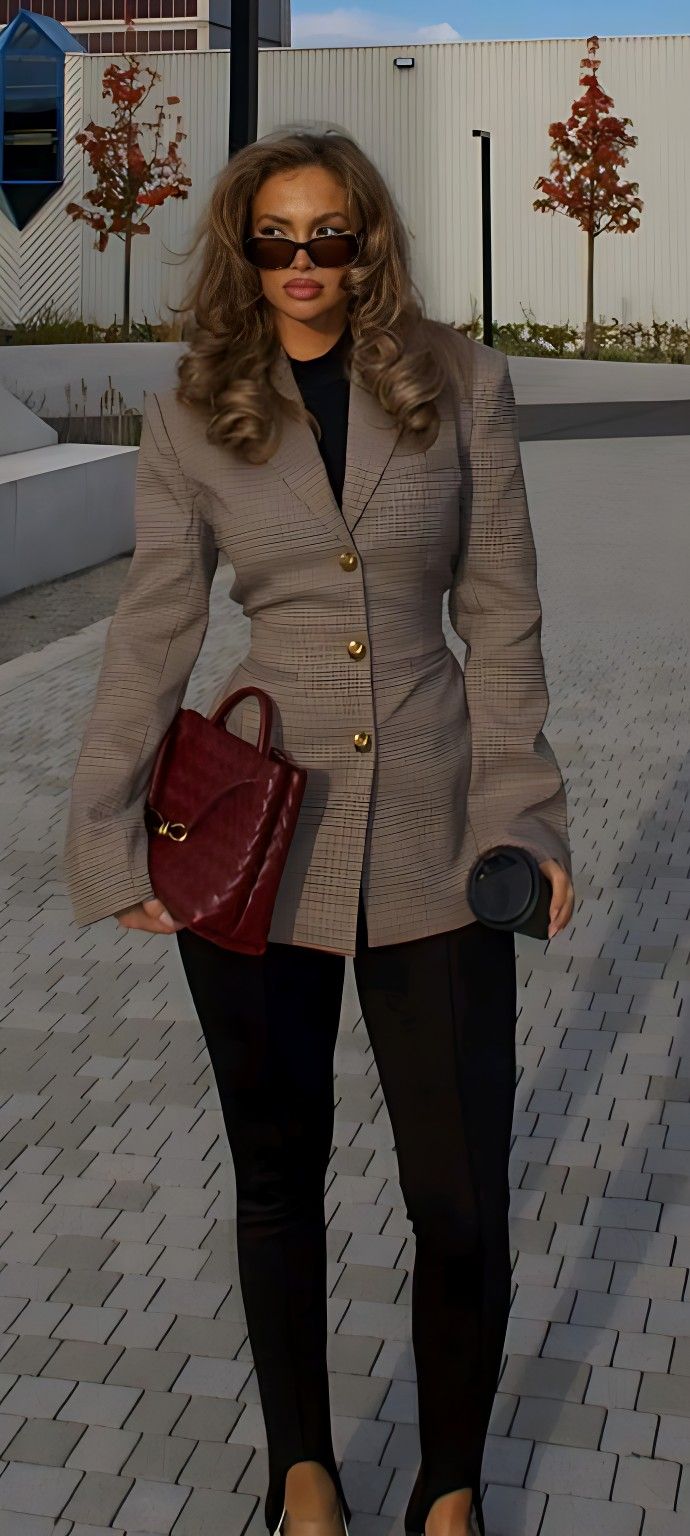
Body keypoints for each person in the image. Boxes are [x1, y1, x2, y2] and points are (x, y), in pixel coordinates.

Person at [64, 127, 575, 1536]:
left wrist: (523, 821)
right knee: (278, 1180)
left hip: (435, 835)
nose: (304, 264)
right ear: (244, 248)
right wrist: (104, 835)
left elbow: (503, 617)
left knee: (459, 1200)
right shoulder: (188, 411)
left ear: (368, 241)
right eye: (276, 238)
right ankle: (303, 1469)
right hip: (256, 844)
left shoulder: (460, 380)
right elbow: (155, 629)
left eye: (330, 234)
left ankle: (452, 1484)